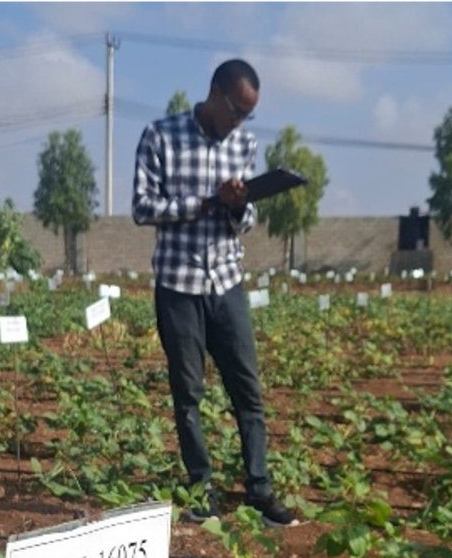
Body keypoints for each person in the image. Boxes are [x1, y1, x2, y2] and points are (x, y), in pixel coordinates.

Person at [131, 59, 298, 527]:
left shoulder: (243, 144)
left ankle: (259, 489)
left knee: (248, 390)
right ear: (214, 94)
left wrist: (240, 206)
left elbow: (244, 223)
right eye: (235, 111)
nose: (239, 122)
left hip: (226, 280)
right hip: (178, 284)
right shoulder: (160, 136)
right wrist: (207, 202)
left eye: (248, 115)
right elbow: (143, 208)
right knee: (188, 393)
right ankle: (200, 486)